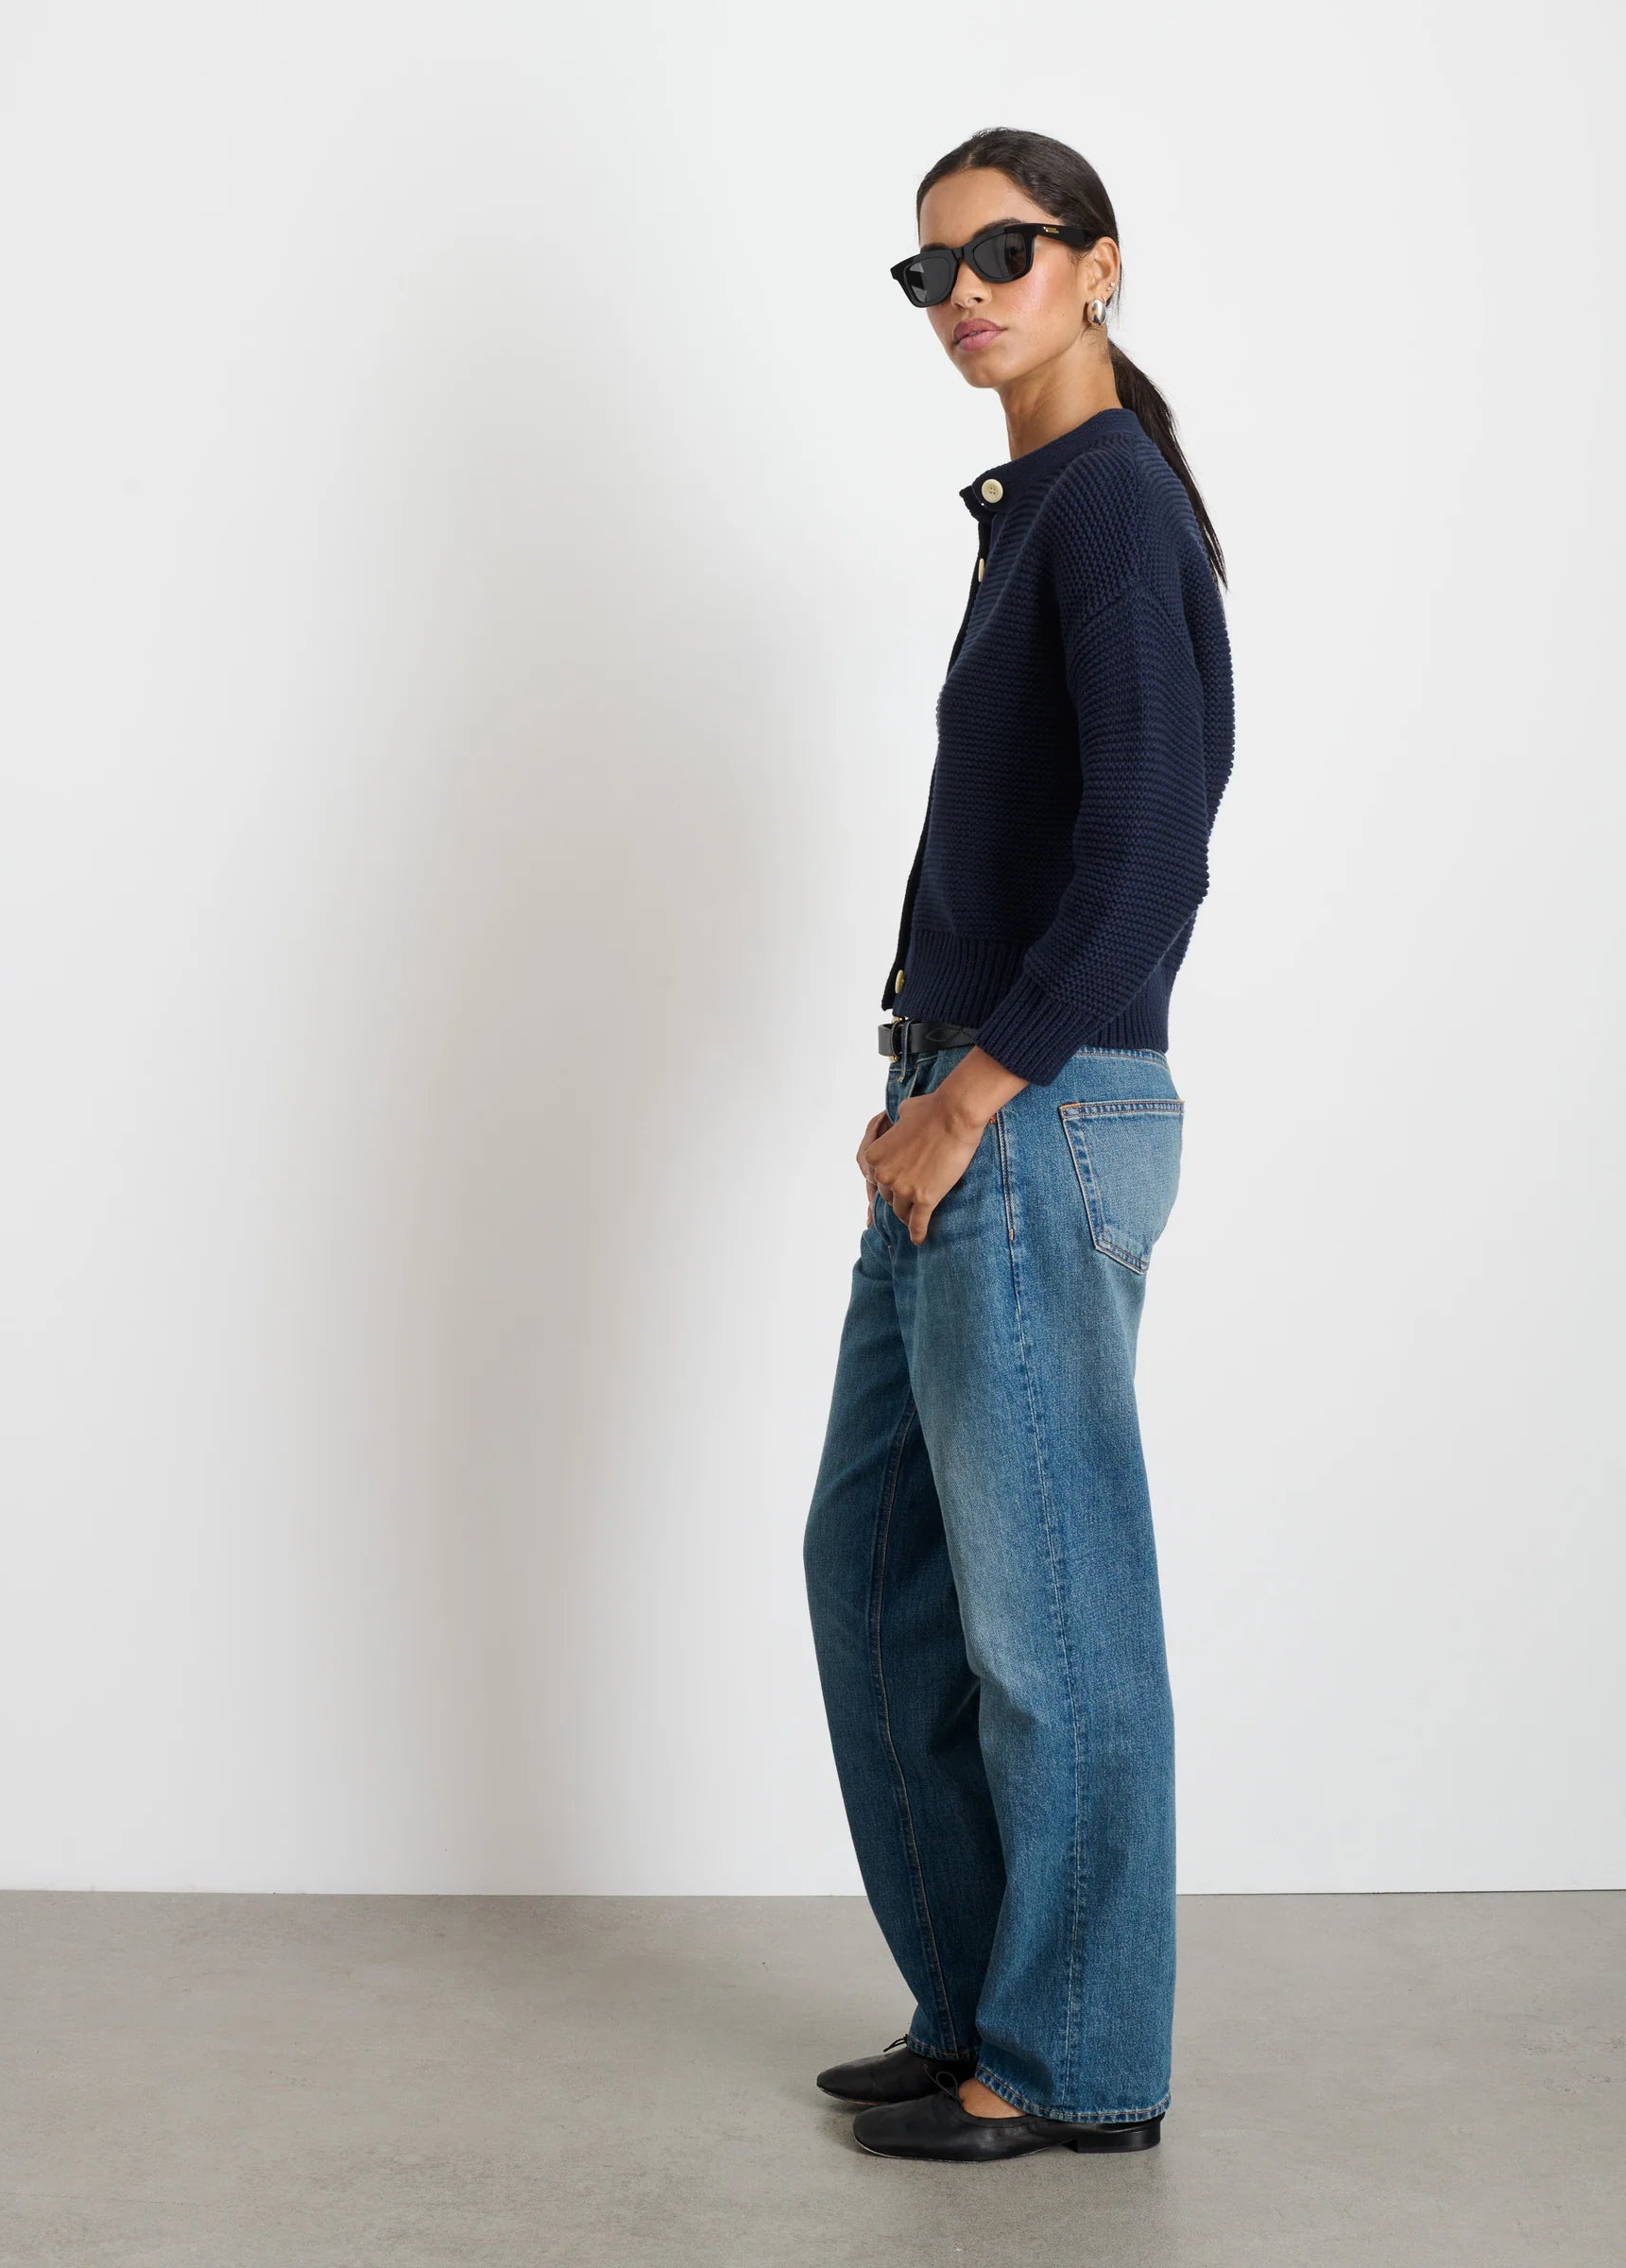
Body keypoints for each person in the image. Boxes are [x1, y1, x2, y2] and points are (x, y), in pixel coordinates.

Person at [801, 127, 1236, 2166]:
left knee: (1051, 1614)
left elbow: (1151, 854)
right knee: (876, 1564)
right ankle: (979, 2002)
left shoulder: (1114, 504)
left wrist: (974, 1095)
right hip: (967, 1105)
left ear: (1098, 264)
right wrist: (931, 1087)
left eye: (1003, 250)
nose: (965, 292)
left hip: (1035, 1116)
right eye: (932, 272)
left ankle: (1072, 2064)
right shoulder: (1041, 509)